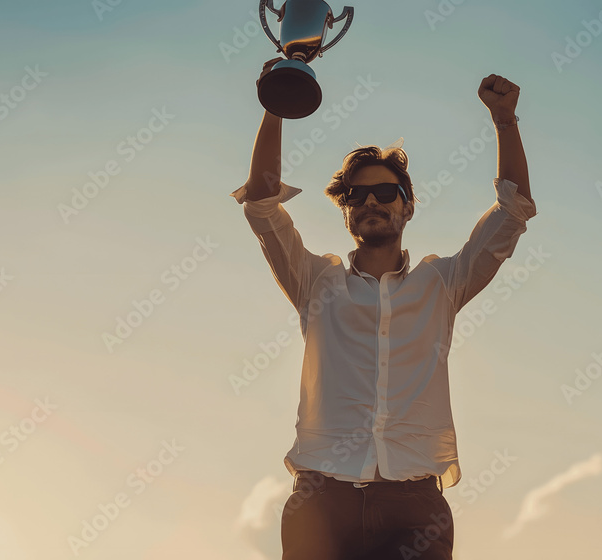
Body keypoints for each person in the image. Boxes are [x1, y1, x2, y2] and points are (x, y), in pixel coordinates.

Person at [230, 57, 536, 560]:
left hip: (414, 506)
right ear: (347, 210)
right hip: (321, 504)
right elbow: (262, 205)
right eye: (358, 195)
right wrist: (279, 101)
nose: (372, 202)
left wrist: (505, 122)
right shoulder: (315, 282)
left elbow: (514, 212)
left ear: (407, 206)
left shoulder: (442, 284)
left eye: (385, 192)